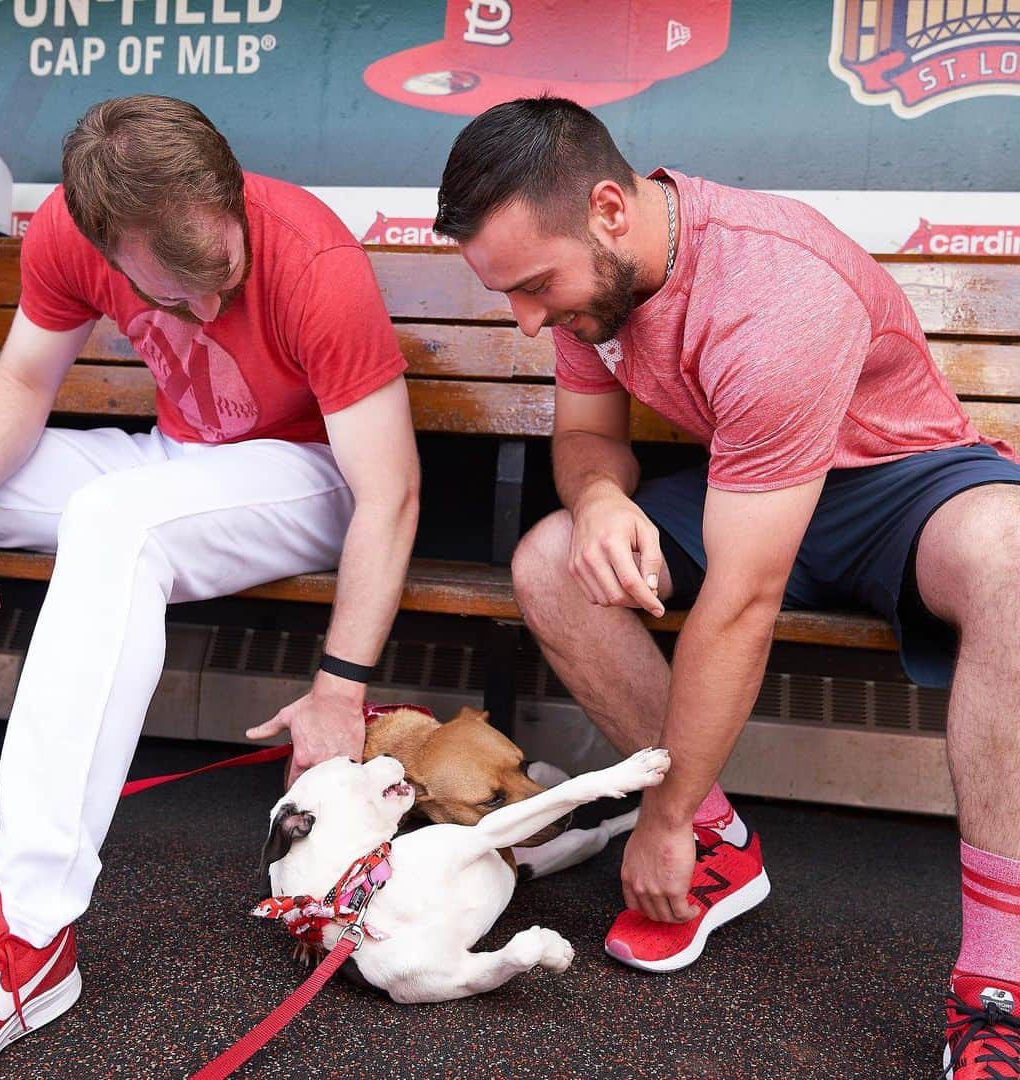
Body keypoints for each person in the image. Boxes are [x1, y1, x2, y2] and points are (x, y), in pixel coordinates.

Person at [435, 96, 1020, 1078]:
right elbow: (586, 440)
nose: (530, 318)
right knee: (550, 560)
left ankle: (999, 975)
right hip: (755, 476)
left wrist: (650, 819)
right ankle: (716, 847)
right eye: (512, 298)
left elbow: (742, 604)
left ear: (611, 212)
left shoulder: (772, 292)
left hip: (900, 485)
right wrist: (595, 506)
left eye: (536, 287)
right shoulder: (599, 280)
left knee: (1013, 558)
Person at [0, 95, 419, 1079]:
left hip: (311, 475)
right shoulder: (71, 237)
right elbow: (26, 383)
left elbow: (391, 491)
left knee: (112, 521)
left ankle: (23, 931)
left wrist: (339, 687)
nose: (205, 309)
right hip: (180, 458)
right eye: (174, 295)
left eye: (220, 279)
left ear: (230, 191)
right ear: (105, 245)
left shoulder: (314, 259)